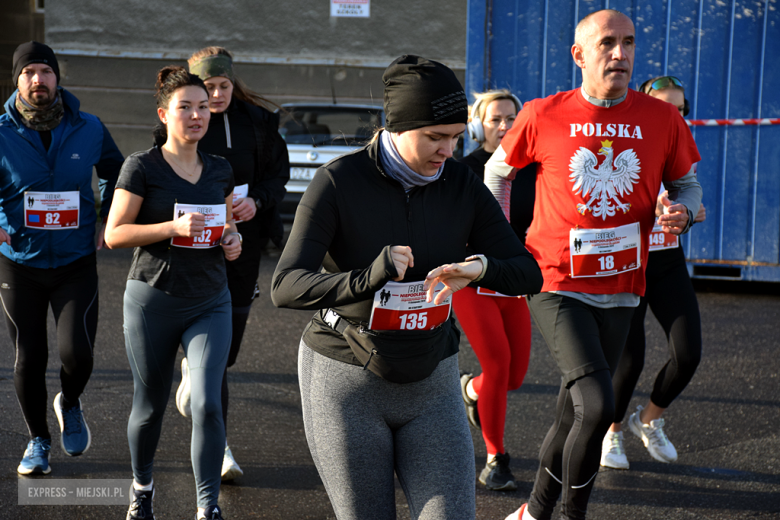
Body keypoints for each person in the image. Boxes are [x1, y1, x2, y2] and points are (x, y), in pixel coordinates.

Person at [271, 55, 543, 520]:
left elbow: (527, 272)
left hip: (432, 378)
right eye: (434, 137)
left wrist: (478, 268)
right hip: (346, 378)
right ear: (396, 127)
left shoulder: (460, 184)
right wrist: (370, 276)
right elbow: (286, 285)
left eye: (456, 138)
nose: (447, 151)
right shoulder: (339, 181)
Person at [485, 10, 703, 520]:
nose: (620, 54)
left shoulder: (663, 118)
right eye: (607, 43)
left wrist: (683, 213)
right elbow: (497, 176)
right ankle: (570, 515)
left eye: (628, 43)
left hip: (625, 282)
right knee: (599, 404)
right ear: (580, 54)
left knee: (572, 411)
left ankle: (534, 512)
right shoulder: (543, 114)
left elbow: (688, 185)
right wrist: (507, 250)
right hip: (556, 281)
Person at [104, 66, 241, 520]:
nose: (197, 115)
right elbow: (115, 234)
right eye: (185, 107)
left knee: (206, 401)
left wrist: (232, 239)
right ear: (165, 114)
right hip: (152, 300)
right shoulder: (141, 166)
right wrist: (170, 227)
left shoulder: (220, 168)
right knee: (149, 406)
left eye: (203, 107)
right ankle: (142, 488)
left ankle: (208, 508)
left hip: (209, 299)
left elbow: (228, 225)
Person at [0, 41, 123, 475]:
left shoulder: (88, 126)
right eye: (29, 71)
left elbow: (115, 172)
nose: (38, 80)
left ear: (57, 78)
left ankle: (69, 401)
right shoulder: (0, 131)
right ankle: (38, 441)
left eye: (45, 71)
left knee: (78, 354)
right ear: (17, 79)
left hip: (75, 261)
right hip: (20, 261)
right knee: (28, 356)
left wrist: (110, 216)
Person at [173, 46, 289, 482]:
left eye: (222, 86)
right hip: (196, 246)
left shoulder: (258, 123)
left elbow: (278, 175)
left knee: (230, 349)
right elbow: (162, 174)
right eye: (206, 87)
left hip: (244, 243)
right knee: (216, 357)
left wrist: (256, 201)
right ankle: (219, 448)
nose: (215, 96)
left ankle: (193, 370)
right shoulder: (182, 120)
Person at [600, 75, 705, 470]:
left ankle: (648, 420)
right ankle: (610, 432)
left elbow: (690, 196)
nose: (673, 115)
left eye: (679, 109)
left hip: (667, 260)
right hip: (628, 260)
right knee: (629, 361)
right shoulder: (621, 140)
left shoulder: (679, 142)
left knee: (688, 353)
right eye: (664, 106)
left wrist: (689, 214)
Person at [455, 89, 536, 491]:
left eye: (511, 119)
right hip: (472, 280)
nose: (504, 127)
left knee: (515, 376)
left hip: (514, 281)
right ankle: (495, 458)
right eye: (495, 119)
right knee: (499, 365)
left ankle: (469, 388)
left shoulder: (532, 168)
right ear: (478, 126)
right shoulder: (462, 169)